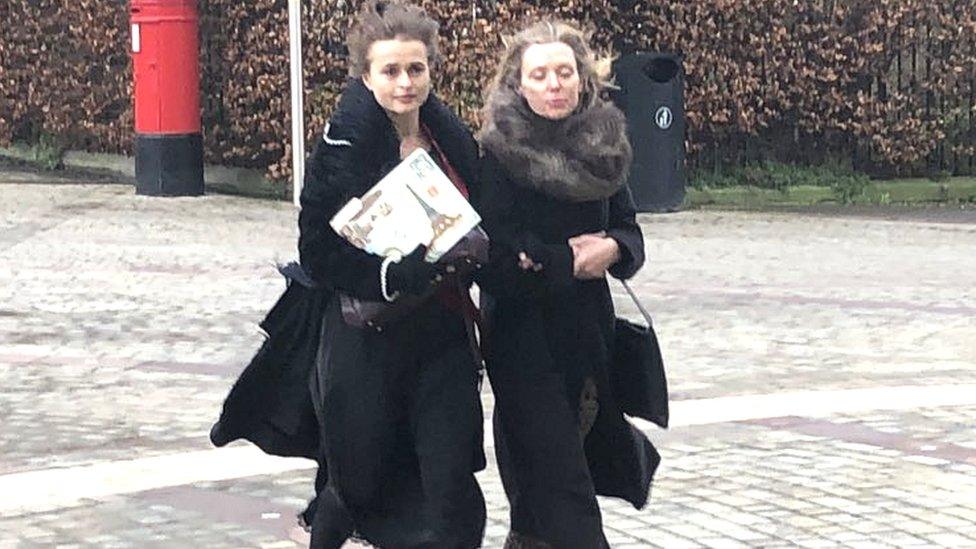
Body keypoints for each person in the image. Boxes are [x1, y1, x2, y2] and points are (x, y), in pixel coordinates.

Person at [297, 1, 486, 547]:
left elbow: (484, 211)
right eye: (391, 71)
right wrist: (388, 274)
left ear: (431, 70)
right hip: (368, 337)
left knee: (452, 482)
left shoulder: (448, 137)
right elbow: (316, 249)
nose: (405, 83)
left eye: (416, 69)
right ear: (367, 74)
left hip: (443, 332)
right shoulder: (346, 141)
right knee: (356, 483)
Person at [476, 20, 660, 548]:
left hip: (587, 338)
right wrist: (566, 263)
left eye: (564, 72)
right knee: (567, 492)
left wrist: (615, 249)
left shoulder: (604, 147)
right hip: (522, 339)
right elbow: (494, 258)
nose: (554, 84)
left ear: (582, 80)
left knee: (543, 495)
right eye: (540, 74)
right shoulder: (496, 157)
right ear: (519, 84)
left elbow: (628, 228)